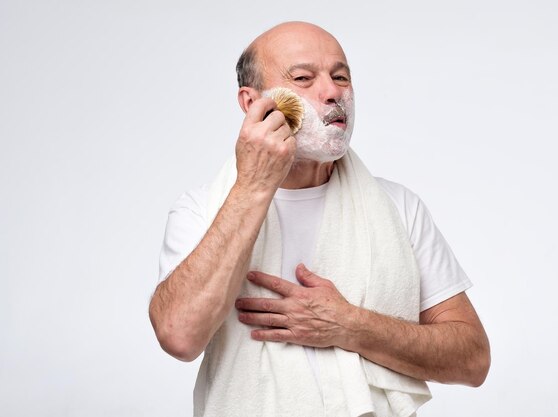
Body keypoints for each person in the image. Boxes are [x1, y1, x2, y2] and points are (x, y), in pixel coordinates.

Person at [149, 21, 490, 417]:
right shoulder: (201, 210)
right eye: (304, 78)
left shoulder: (398, 207)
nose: (332, 93)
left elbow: (472, 359)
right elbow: (179, 336)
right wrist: (253, 187)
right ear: (251, 102)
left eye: (341, 77)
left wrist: (349, 325)